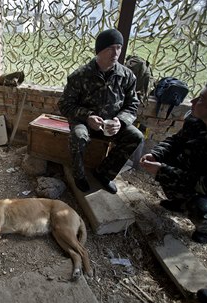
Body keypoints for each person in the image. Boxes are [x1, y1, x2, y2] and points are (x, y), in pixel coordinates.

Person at [140, 80, 207, 244]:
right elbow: (176, 142)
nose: (192, 101)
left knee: (204, 210)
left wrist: (163, 171)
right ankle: (180, 202)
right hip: (203, 170)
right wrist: (157, 154)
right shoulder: (196, 119)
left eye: (202, 99)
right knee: (170, 170)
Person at [58, 28, 144, 194]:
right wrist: (88, 116)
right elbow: (64, 105)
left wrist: (121, 121)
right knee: (78, 136)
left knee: (136, 136)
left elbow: (133, 104)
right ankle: (79, 175)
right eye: (110, 48)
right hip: (84, 122)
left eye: (118, 47)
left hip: (112, 125)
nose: (115, 52)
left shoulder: (126, 76)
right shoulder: (80, 76)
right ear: (99, 51)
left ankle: (104, 173)